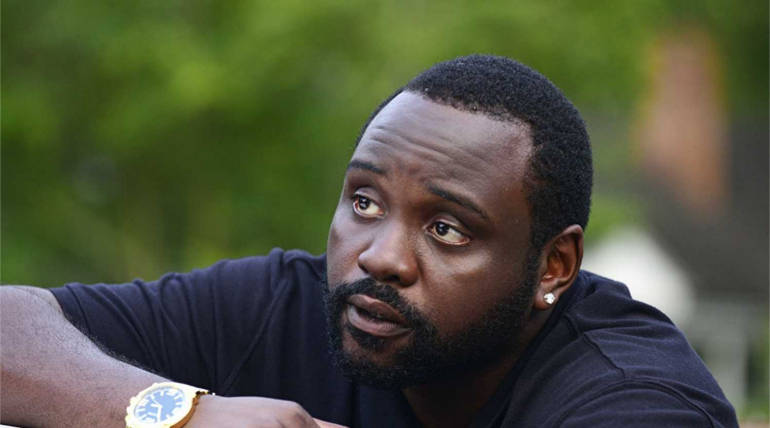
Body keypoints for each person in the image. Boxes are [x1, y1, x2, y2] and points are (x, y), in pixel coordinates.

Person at [1, 54, 738, 428]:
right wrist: (179, 414)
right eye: (364, 201)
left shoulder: (634, 396)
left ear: (553, 266)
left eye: (446, 228)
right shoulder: (293, 307)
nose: (380, 256)